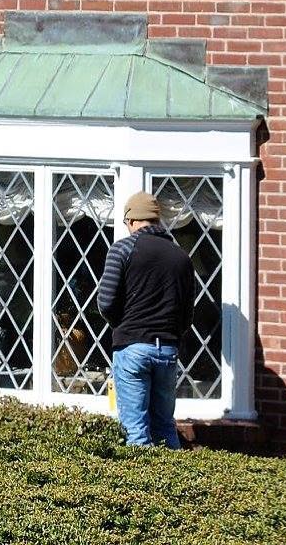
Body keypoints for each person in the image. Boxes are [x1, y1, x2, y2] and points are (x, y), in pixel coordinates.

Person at [96, 190, 195, 449]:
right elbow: (187, 314)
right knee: (165, 425)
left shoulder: (123, 249)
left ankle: (142, 486)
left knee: (135, 431)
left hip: (132, 347)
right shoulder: (180, 257)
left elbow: (105, 302)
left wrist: (124, 325)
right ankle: (175, 482)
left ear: (131, 220)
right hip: (168, 350)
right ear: (156, 220)